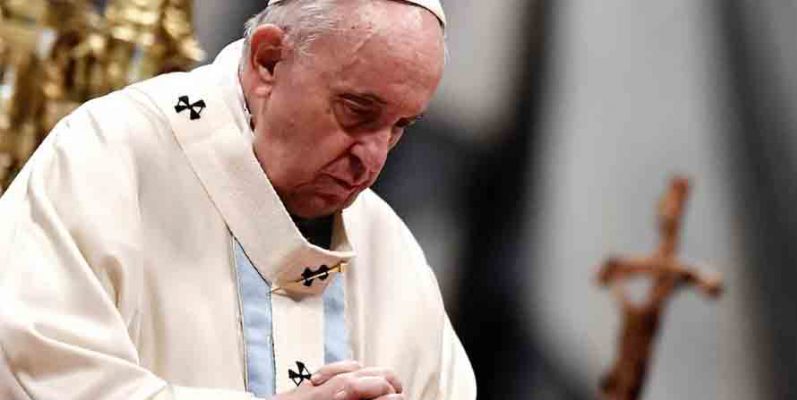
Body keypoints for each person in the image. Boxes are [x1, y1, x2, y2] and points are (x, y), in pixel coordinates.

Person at [0, 0, 476, 399]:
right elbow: (35, 370)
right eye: (357, 110)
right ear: (268, 61)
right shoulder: (110, 156)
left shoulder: (387, 247)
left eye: (398, 127)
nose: (373, 160)